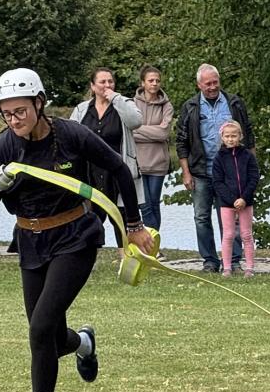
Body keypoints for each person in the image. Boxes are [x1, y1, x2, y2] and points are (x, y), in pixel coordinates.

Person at [0, 68, 154, 392]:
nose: (14, 119)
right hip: (30, 242)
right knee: (51, 338)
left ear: (39, 103)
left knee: (39, 329)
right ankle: (84, 343)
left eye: (20, 111)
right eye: (6, 113)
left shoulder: (71, 134)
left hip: (76, 238)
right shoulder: (3, 146)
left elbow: (120, 169)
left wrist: (133, 225)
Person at [177, 63, 252, 273]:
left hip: (230, 171)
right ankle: (210, 260)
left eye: (215, 82)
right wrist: (186, 172)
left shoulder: (234, 103)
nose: (212, 87)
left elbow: (248, 134)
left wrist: (249, 167)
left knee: (230, 216)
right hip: (201, 171)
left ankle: (233, 261)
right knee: (201, 217)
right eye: (207, 84)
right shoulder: (190, 107)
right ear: (199, 85)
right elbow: (181, 141)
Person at [70, 68, 143, 245]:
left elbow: (136, 122)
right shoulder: (82, 109)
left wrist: (116, 98)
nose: (107, 85)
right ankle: (86, 255)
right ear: (93, 86)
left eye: (110, 81)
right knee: (90, 220)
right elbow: (70, 136)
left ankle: (126, 257)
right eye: (102, 82)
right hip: (90, 174)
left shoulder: (124, 103)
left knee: (122, 219)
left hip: (117, 172)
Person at [211, 120, 260, 278]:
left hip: (246, 202)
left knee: (246, 234)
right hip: (227, 203)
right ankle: (226, 268)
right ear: (222, 137)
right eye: (227, 136)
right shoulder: (219, 158)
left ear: (240, 136)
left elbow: (254, 178)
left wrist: (244, 198)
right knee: (228, 235)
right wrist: (232, 200)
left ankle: (250, 268)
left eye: (234, 136)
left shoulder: (248, 156)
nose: (230, 139)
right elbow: (217, 182)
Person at [132, 65, 174, 232]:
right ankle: (151, 242)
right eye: (151, 80)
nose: (155, 83)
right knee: (145, 205)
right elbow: (128, 132)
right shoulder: (132, 104)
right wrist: (153, 132)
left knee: (154, 204)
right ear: (143, 83)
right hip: (138, 163)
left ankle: (153, 241)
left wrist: (139, 128)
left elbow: (163, 133)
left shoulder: (166, 106)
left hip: (158, 163)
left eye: (157, 80)